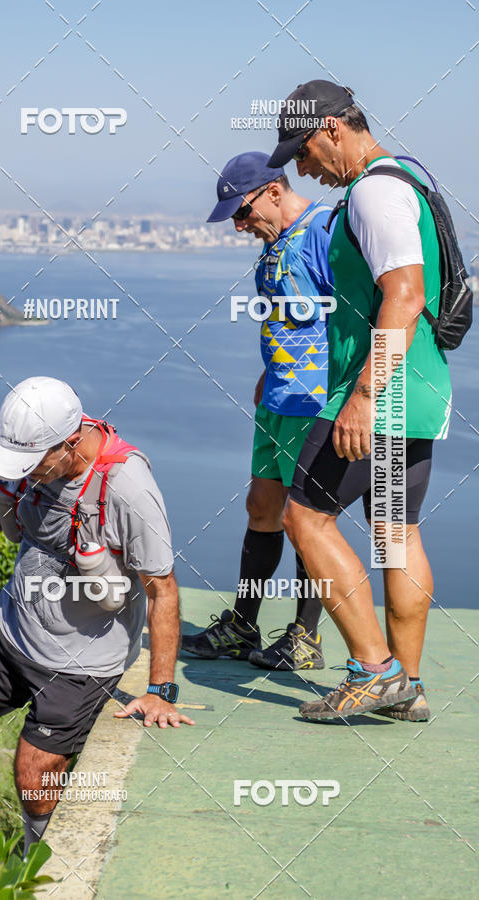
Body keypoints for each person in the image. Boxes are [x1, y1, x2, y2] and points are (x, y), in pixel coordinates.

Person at [0, 376, 193, 855]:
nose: (24, 473)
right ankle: (50, 727)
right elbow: (22, 497)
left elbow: (162, 591)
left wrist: (160, 691)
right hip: (15, 624)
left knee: (32, 776)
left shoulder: (128, 489)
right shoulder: (41, 462)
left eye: (32, 464)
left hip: (81, 659)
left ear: (70, 443)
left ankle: (39, 853)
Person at [268, 79, 451, 721]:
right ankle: (409, 685)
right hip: (419, 391)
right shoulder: (406, 180)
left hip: (380, 392)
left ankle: (373, 672)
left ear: (335, 130)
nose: (303, 168)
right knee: (394, 534)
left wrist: (364, 395)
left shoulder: (373, 192)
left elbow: (405, 294)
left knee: (304, 519)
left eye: (305, 151)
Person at [182, 151, 334, 670]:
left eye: (243, 213)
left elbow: (353, 318)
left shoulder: (324, 233)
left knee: (306, 521)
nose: (239, 226)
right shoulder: (273, 246)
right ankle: (244, 625)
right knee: (261, 508)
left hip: (312, 403)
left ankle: (304, 638)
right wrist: (270, 370)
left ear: (274, 190)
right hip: (277, 399)